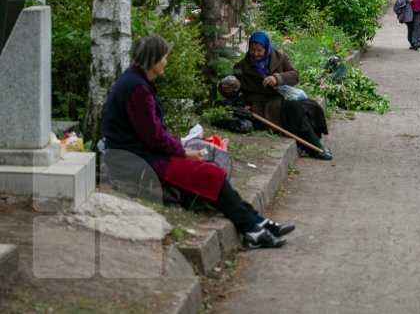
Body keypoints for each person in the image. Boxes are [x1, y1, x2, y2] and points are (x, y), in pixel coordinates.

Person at [103, 36, 293, 249]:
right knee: (210, 173)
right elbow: (154, 137)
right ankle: (252, 228)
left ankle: (256, 222)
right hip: (138, 162)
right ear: (154, 59)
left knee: (211, 173)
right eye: (165, 58)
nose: (166, 62)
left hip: (140, 155)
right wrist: (184, 152)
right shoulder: (137, 90)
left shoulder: (135, 82)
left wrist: (181, 147)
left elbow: (152, 133)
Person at [235, 32, 333, 160]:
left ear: (267, 48)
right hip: (262, 105)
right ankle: (315, 147)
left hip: (282, 96)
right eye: (252, 50)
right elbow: (233, 86)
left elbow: (295, 75)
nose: (255, 54)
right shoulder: (242, 66)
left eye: (259, 50)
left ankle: (313, 144)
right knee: (295, 110)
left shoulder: (280, 57)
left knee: (308, 105)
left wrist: (277, 78)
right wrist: (229, 87)